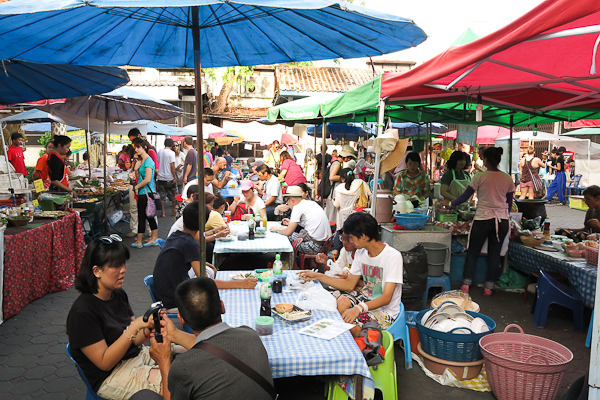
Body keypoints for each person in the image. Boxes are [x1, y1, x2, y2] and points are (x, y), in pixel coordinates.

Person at [66, 236, 166, 399]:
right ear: (96, 271)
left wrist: (148, 325)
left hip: (135, 356)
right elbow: (105, 362)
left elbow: (136, 341)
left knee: (184, 363)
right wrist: (135, 326)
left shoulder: (118, 294)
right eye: (115, 266)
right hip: (111, 375)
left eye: (123, 263)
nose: (123, 269)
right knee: (175, 381)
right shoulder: (82, 313)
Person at [147, 277, 273, 400]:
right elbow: (213, 347)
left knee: (144, 395)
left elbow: (209, 349)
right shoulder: (250, 334)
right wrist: (174, 334)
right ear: (222, 307)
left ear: (181, 319)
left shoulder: (183, 366)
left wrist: (164, 361)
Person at [300, 212, 403, 335]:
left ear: (363, 236)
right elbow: (349, 285)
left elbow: (386, 298)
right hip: (365, 298)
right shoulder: (361, 253)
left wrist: (358, 309)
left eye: (351, 238)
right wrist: (318, 276)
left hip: (385, 310)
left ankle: (359, 344)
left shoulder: (393, 256)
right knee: (341, 302)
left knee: (350, 325)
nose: (350, 242)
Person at [153, 201, 257, 311]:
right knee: (223, 302)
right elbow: (205, 281)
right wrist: (241, 284)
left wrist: (205, 264)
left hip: (164, 293)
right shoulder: (189, 244)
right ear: (204, 223)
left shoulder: (177, 235)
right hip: (173, 300)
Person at [446, 147, 514, 296]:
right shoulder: (507, 178)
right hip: (501, 220)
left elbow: (465, 197)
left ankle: (466, 284)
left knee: (473, 252)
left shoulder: (480, 176)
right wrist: (504, 215)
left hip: (483, 218)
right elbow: (509, 203)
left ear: (486, 160)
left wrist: (450, 204)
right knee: (494, 254)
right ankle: (489, 287)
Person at [270, 185, 331, 255]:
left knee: (284, 238)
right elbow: (307, 221)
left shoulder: (297, 208)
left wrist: (276, 229)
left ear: (292, 200)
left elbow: (288, 232)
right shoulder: (311, 203)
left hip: (314, 246)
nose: (287, 204)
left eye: (287, 201)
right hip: (324, 244)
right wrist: (290, 223)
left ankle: (288, 263)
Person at [131, 138, 159, 248]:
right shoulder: (141, 161)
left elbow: (148, 179)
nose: (136, 150)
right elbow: (139, 177)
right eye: (135, 148)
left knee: (146, 216)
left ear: (145, 147)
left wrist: (136, 187)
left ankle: (145, 240)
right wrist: (136, 170)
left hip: (147, 193)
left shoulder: (148, 161)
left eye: (138, 147)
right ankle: (149, 239)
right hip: (144, 192)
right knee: (146, 216)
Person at [157, 138, 178, 218]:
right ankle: (173, 210)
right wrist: (174, 177)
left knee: (162, 196)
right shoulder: (171, 153)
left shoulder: (159, 152)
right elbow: (172, 166)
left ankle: (163, 212)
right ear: (172, 145)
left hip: (160, 177)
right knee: (173, 195)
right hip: (169, 177)